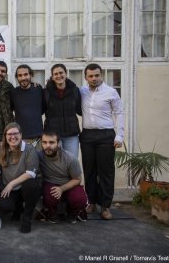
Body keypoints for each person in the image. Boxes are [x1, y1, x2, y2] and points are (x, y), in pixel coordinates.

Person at [80, 63, 124, 220]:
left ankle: (105, 206)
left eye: (97, 75)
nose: (94, 78)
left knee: (106, 172)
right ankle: (91, 202)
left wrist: (119, 136)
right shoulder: (82, 91)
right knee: (89, 170)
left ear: (101, 75)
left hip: (106, 135)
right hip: (87, 136)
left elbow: (119, 113)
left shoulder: (111, 92)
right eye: (90, 76)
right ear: (86, 77)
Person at [0, 122, 41, 233]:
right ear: (5, 136)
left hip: (24, 187)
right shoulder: (2, 149)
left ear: (21, 135)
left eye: (15, 133)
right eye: (9, 134)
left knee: (32, 185)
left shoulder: (29, 149)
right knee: (3, 206)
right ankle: (17, 207)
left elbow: (30, 173)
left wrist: (11, 184)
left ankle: (27, 218)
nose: (12, 137)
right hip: (11, 190)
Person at [39, 131, 87, 223]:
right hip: (50, 184)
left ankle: (73, 214)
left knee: (80, 199)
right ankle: (52, 214)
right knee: (49, 197)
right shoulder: (38, 156)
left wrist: (61, 188)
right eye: (44, 142)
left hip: (69, 184)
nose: (47, 145)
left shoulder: (70, 158)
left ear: (58, 143)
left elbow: (78, 179)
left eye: (51, 142)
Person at [43, 64, 82, 158]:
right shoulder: (46, 92)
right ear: (52, 77)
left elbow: (80, 110)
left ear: (66, 73)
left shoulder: (75, 90)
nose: (58, 76)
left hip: (71, 135)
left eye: (61, 73)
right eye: (55, 74)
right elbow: (41, 110)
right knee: (55, 164)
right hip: (53, 135)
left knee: (72, 161)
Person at [10, 64, 44, 151]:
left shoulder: (38, 89)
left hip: (38, 138)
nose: (23, 78)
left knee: (38, 164)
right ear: (17, 77)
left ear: (31, 75)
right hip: (20, 139)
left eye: (25, 74)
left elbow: (44, 109)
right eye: (20, 75)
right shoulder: (13, 93)